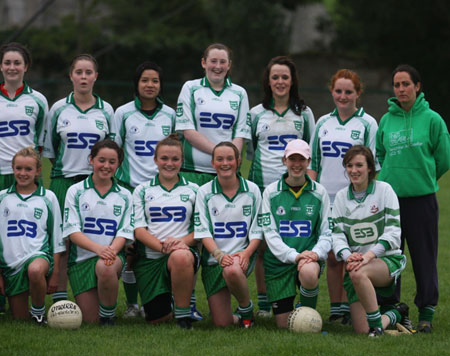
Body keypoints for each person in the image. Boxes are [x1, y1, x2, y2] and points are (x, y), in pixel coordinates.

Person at [376, 64, 450, 333]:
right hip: (390, 201)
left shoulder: (432, 120)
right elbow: (380, 154)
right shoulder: (386, 120)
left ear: (417, 87)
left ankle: (426, 312)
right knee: (390, 255)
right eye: (397, 85)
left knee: (424, 257)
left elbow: (443, 158)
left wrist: (424, 177)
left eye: (406, 84)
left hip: (422, 200)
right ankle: (390, 308)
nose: (401, 89)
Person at [247, 55, 316, 317]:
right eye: (274, 77)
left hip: (296, 189)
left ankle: (301, 297)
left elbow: (311, 151)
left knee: (296, 240)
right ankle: (265, 303)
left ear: (292, 80)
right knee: (263, 245)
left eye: (284, 77)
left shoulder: (304, 113)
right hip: (264, 190)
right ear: (268, 81)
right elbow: (251, 152)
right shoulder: (255, 114)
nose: (279, 81)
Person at [42, 54, 114, 304]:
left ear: (96, 76)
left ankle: (93, 292)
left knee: (90, 236)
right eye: (79, 72)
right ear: (71, 75)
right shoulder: (59, 108)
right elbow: (51, 148)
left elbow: (111, 149)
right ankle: (60, 300)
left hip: (95, 183)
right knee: (62, 240)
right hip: (64, 180)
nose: (84, 77)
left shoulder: (106, 109)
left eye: (88, 72)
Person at [309, 69, 378, 324]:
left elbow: (373, 166)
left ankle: (354, 306)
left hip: (354, 199)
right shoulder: (322, 122)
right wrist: (313, 196)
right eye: (338, 91)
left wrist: (368, 200)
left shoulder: (368, 123)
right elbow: (314, 162)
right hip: (327, 198)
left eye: (349, 91)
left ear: (358, 93)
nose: (343, 96)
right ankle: (337, 308)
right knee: (331, 254)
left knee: (354, 252)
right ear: (332, 92)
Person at [110, 61, 177, 318]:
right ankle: (131, 305)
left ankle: (169, 299)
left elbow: (174, 152)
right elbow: (115, 151)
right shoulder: (123, 113)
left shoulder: (169, 114)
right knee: (131, 249)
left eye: (155, 81)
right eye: (145, 80)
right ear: (136, 84)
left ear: (161, 85)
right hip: (130, 188)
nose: (150, 85)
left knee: (162, 244)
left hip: (161, 190)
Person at [331, 145, 413, 337]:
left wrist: (368, 256)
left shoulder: (385, 190)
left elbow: (393, 234)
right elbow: (337, 235)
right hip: (356, 263)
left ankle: (377, 327)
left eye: (359, 165)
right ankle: (396, 313)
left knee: (359, 272)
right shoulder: (342, 197)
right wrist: (348, 256)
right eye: (349, 166)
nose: (354, 170)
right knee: (361, 331)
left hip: (385, 262)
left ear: (370, 168)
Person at [260, 139, 332, 329]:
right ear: (284, 160)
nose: (297, 164)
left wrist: (314, 255)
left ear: (308, 162)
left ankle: (309, 317)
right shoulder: (270, 192)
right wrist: (294, 256)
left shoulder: (319, 192)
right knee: (284, 326)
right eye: (292, 159)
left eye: (302, 159)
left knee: (308, 272)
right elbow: (270, 234)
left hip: (308, 260)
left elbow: (326, 232)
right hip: (279, 263)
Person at [0, 42, 49, 313]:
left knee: (26, 234)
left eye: (17, 63)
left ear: (26, 67)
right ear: (1, 66)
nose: (12, 67)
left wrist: (31, 167)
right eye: (7, 62)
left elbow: (40, 141)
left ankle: (32, 288)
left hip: (25, 176)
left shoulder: (38, 100)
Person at [63, 140, 134, 325]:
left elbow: (125, 232)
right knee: (89, 320)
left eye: (112, 162)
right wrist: (98, 249)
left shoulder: (125, 195)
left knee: (106, 266)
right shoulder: (75, 191)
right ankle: (101, 312)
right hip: (81, 260)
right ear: (91, 160)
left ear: (118, 164)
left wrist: (110, 251)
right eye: (101, 160)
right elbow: (72, 231)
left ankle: (108, 317)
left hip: (111, 257)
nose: (106, 166)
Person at [133, 134, 199, 329]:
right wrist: (163, 248)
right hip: (150, 259)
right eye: (164, 158)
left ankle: (183, 316)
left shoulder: (194, 190)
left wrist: (180, 244)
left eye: (175, 159)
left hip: (181, 253)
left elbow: (201, 230)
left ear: (182, 161)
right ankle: (170, 302)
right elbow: (139, 230)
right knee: (157, 319)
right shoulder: (142, 190)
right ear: (155, 160)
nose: (169, 163)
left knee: (180, 257)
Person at [194, 142, 262, 328]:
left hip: (241, 257)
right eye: (220, 159)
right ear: (212, 163)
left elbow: (257, 230)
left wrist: (246, 253)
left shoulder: (253, 190)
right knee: (222, 324)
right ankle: (236, 317)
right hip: (214, 260)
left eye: (230, 158)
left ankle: (246, 312)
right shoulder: (204, 192)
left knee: (232, 270)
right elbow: (202, 231)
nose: (225, 163)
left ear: (238, 161)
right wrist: (219, 255)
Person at [0, 147, 64, 323]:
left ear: (38, 171)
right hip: (10, 266)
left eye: (28, 169)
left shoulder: (48, 197)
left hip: (38, 256)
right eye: (18, 168)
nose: (23, 173)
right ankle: (29, 311)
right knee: (19, 318)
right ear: (12, 169)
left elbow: (57, 237)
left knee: (35, 270)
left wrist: (56, 272)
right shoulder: (2, 198)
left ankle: (38, 313)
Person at [175, 43, 251, 186]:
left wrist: (226, 161)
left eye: (223, 62)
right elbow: (188, 132)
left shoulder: (240, 93)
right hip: (193, 172)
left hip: (226, 173)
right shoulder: (190, 88)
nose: (218, 66)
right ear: (204, 62)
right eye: (213, 61)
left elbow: (240, 134)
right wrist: (221, 155)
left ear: (229, 65)